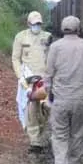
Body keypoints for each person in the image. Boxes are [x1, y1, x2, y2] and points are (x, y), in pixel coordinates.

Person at [45, 15, 83, 164]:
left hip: (60, 98)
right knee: (78, 133)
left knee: (59, 134)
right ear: (78, 29)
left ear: (62, 29)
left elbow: (48, 75)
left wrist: (48, 94)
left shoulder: (55, 47)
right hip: (81, 98)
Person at [11, 11, 53, 153]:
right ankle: (35, 141)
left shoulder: (47, 37)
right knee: (30, 109)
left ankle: (41, 134)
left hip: (44, 79)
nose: (37, 26)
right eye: (34, 24)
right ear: (29, 24)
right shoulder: (20, 37)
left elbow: (52, 57)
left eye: (39, 24)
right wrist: (20, 76)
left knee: (45, 109)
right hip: (28, 79)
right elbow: (15, 58)